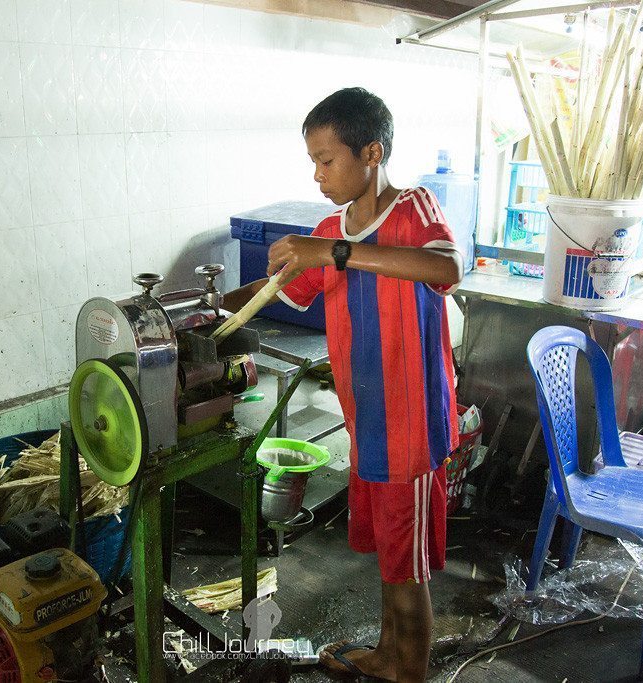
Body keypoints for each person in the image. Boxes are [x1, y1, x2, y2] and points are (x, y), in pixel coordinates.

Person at [222, 87, 462, 682]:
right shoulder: (333, 228)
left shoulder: (413, 209)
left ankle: (411, 670)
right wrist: (206, 308)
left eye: (327, 160)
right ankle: (389, 654)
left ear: (372, 153)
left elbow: (445, 268)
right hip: (370, 424)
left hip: (409, 426)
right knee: (390, 556)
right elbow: (280, 290)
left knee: (409, 570)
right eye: (314, 161)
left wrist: (332, 251)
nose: (317, 175)